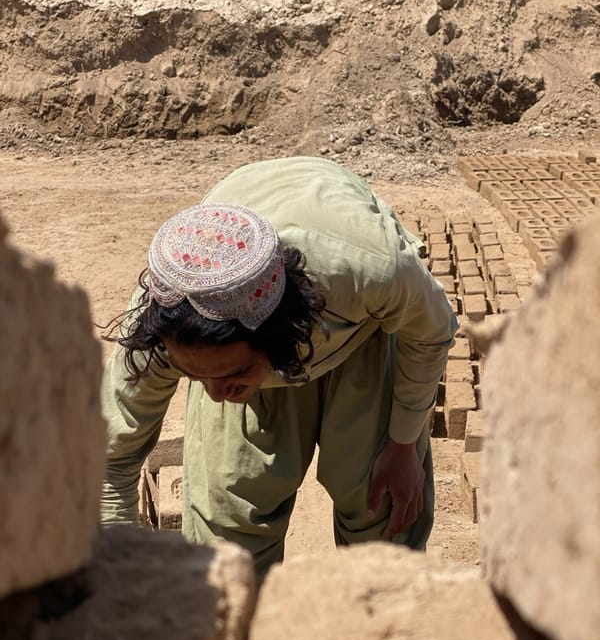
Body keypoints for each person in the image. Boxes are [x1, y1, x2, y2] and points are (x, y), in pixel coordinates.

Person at [101, 156, 458, 580]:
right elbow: (109, 462)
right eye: (195, 376)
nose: (215, 394)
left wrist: (402, 448)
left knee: (382, 512)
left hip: (360, 336)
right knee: (225, 530)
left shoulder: (371, 271)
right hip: (259, 334)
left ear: (280, 339)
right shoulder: (161, 326)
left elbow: (431, 333)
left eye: (232, 376)